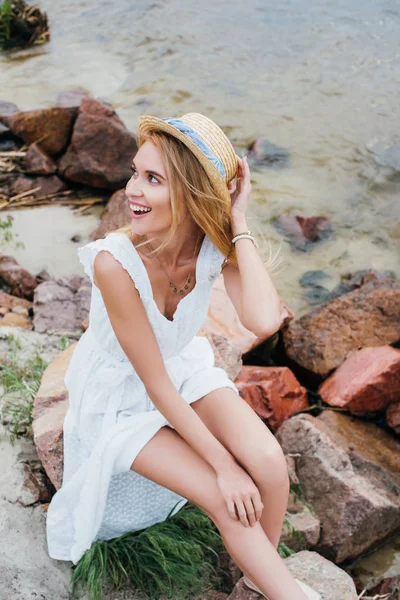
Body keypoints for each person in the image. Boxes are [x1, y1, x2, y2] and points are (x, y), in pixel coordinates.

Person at [46, 113, 320, 600]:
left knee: (272, 467)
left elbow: (262, 320)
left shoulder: (210, 245)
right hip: (121, 396)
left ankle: (258, 576)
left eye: (152, 179)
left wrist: (238, 221)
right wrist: (224, 466)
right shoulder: (115, 263)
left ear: (192, 194)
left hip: (182, 370)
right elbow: (153, 385)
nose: (132, 189)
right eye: (135, 172)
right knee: (223, 495)